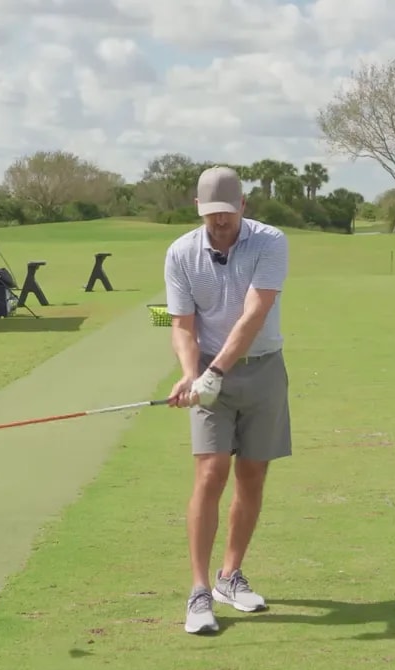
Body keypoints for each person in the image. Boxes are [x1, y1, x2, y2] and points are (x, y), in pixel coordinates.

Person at [162, 165, 291, 635]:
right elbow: (182, 324)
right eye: (210, 213)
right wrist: (190, 373)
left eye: (227, 213)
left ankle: (229, 576)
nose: (219, 223)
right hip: (210, 369)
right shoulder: (180, 253)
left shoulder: (270, 242)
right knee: (210, 471)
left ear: (243, 206)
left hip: (262, 369)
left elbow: (255, 313)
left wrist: (213, 373)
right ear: (199, 209)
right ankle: (198, 591)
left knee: (253, 473)